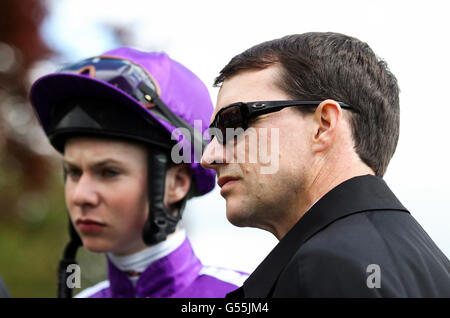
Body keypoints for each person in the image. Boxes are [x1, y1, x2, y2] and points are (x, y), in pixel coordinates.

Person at [201, 32, 450, 297]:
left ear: (324, 125)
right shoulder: (430, 265)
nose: (210, 157)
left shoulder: (328, 266)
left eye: (233, 123)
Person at [29, 47, 247, 298]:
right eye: (74, 172)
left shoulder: (248, 297)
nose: (80, 196)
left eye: (109, 172)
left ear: (176, 183)